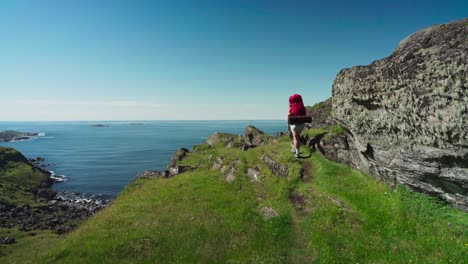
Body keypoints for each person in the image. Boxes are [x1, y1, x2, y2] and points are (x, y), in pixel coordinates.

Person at [288, 94, 306, 158]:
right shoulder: (302, 107)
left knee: (295, 138)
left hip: (294, 126)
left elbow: (289, 116)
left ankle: (297, 152)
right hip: (302, 125)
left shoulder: (292, 108)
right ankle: (294, 149)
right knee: (297, 137)